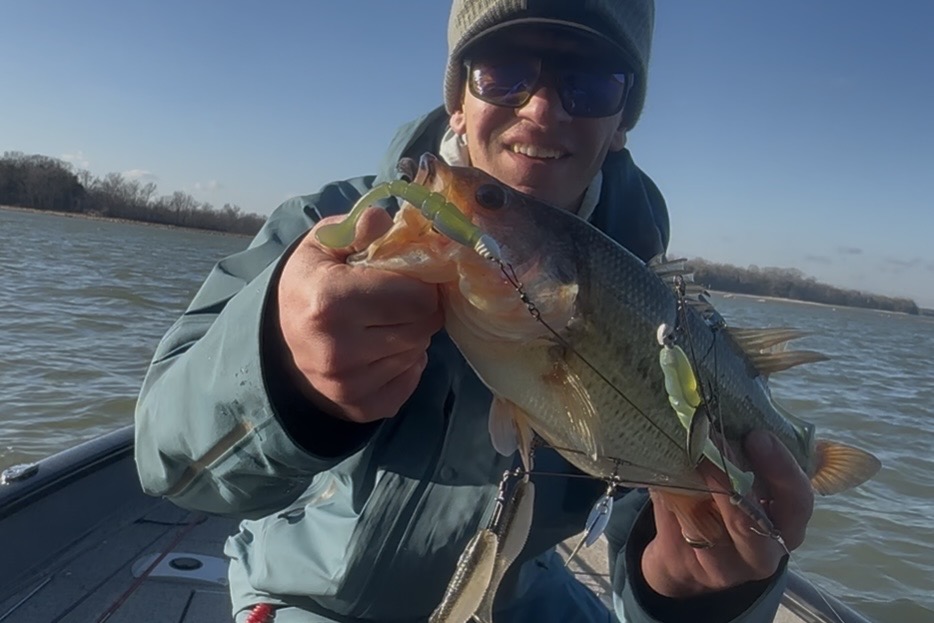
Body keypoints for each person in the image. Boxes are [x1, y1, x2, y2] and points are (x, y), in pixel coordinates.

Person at [135, 1, 814, 621]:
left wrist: (686, 584)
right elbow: (163, 462)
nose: (543, 110)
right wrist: (277, 367)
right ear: (457, 98)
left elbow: (650, 520)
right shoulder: (328, 226)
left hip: (516, 595)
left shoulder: (656, 316)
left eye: (592, 81)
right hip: (311, 596)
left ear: (620, 127)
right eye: (503, 69)